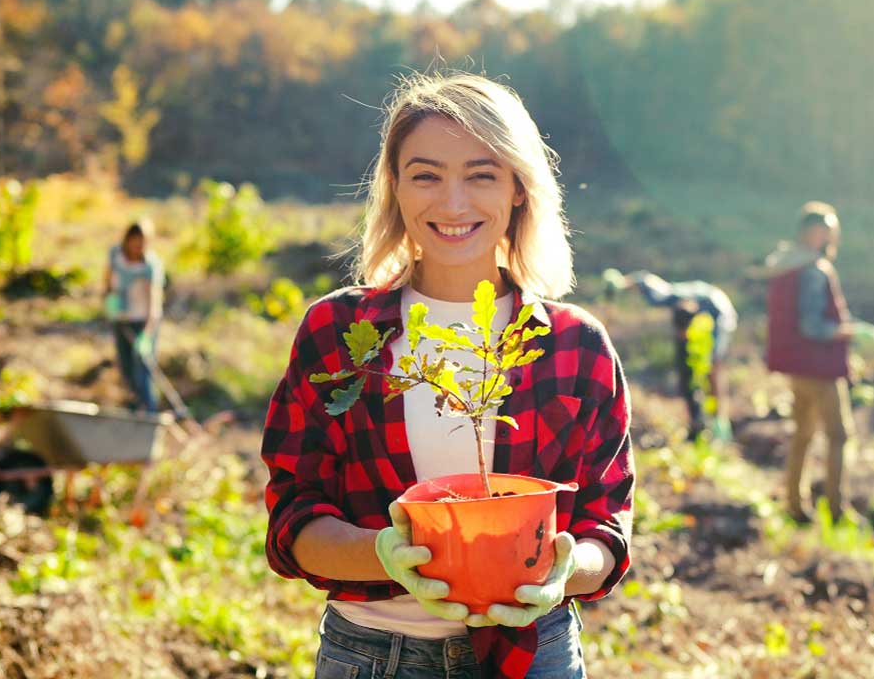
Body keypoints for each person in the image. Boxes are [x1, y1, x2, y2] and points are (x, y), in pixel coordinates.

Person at [260, 73, 634, 679]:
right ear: (396, 189)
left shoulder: (574, 346)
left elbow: (605, 525)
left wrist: (564, 567)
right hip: (376, 656)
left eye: (481, 174)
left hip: (533, 653)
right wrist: (386, 555)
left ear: (518, 188)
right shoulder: (337, 334)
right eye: (427, 174)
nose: (453, 203)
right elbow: (293, 517)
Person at [763, 201, 856, 523]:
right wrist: (846, 331)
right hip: (819, 368)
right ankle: (836, 508)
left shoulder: (787, 264)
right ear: (814, 233)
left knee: (803, 433)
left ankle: (794, 502)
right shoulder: (813, 270)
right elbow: (812, 326)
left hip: (796, 367)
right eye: (826, 230)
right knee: (838, 435)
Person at [605, 270, 736, 441]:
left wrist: (623, 282)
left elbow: (645, 281)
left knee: (713, 368)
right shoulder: (672, 298)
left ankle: (719, 422)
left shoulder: (665, 297)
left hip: (720, 313)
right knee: (702, 371)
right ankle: (709, 421)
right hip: (716, 310)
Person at [103, 219, 164, 414]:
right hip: (121, 320)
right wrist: (109, 300)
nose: (138, 247)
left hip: (143, 323)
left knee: (143, 373)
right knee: (127, 371)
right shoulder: (116, 256)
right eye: (135, 242)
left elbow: (154, 306)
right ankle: (134, 412)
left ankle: (150, 413)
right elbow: (107, 283)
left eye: (143, 243)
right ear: (128, 240)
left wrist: (146, 336)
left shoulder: (150, 266)